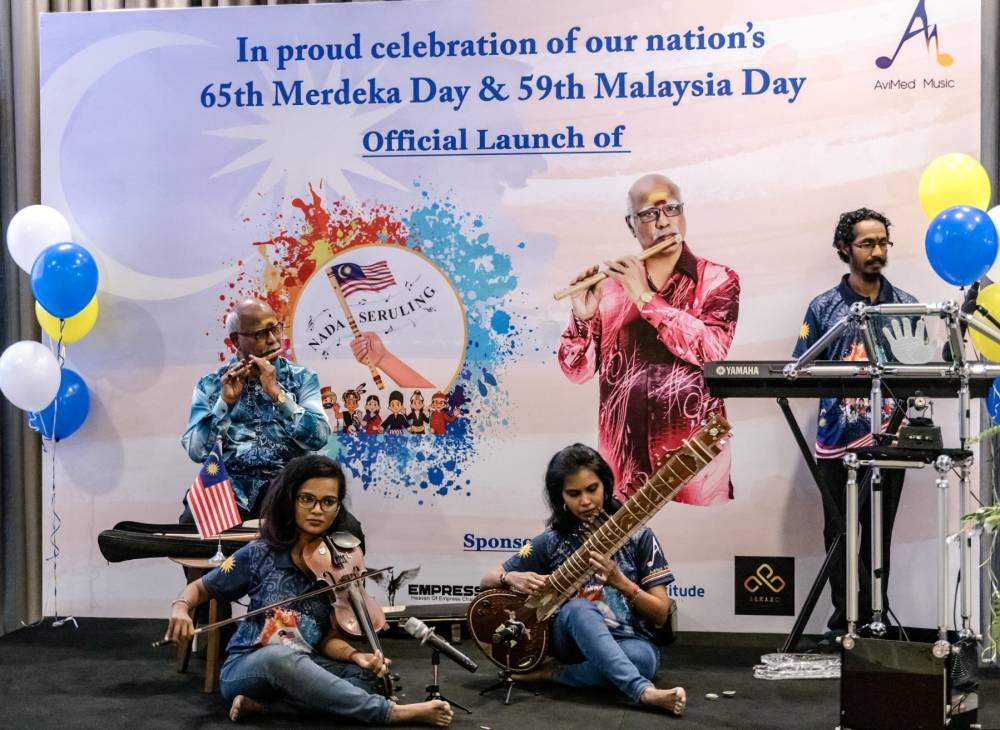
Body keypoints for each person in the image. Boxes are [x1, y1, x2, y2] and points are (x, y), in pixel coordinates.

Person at [164, 454, 453, 727]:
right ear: (290, 500)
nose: (317, 510)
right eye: (307, 499)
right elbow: (200, 588)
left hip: (307, 662)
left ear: (338, 507)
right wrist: (180, 608)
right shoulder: (258, 553)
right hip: (251, 666)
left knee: (368, 677)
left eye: (329, 502)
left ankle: (269, 708)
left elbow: (328, 639)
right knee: (280, 657)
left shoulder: (341, 563)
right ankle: (389, 713)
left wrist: (357, 656)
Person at [558, 173, 740, 505]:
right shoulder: (610, 286)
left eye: (671, 209)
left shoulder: (717, 279)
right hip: (623, 468)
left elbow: (712, 352)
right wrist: (583, 319)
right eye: (648, 214)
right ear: (631, 224)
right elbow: (577, 372)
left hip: (695, 463)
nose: (663, 223)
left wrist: (644, 297)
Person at [479, 444, 686, 717]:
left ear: (606, 485)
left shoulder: (639, 537)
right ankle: (642, 692)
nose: (585, 501)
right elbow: (487, 579)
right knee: (579, 608)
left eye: (592, 489)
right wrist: (511, 577)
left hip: (627, 639)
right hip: (571, 641)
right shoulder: (550, 541)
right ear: (561, 496)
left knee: (643, 661)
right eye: (574, 494)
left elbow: (660, 614)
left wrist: (621, 583)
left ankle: (555, 674)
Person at [792, 207, 917, 648]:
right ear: (845, 248)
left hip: (889, 442)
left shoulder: (904, 306)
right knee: (839, 532)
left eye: (882, 242)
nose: (877, 251)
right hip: (837, 441)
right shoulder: (823, 308)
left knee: (878, 531)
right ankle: (843, 624)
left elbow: (919, 372)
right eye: (867, 243)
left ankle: (874, 624)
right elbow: (800, 367)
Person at [181, 299, 332, 519]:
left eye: (275, 329)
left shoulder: (303, 378)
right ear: (236, 340)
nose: (273, 340)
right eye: (261, 334)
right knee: (191, 523)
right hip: (232, 491)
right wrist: (224, 403)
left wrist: (277, 395)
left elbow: (319, 438)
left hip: (290, 489)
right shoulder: (211, 384)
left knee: (348, 532)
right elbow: (197, 452)